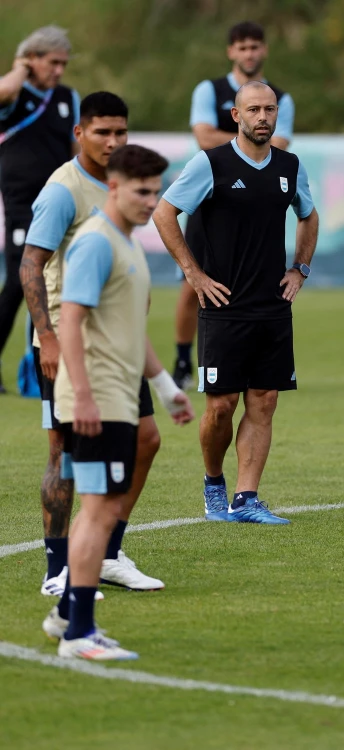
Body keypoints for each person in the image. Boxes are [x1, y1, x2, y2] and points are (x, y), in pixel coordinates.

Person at [20, 92, 190, 597]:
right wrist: (47, 336)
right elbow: (31, 264)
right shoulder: (63, 190)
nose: (113, 141)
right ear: (80, 133)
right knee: (67, 454)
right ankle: (58, 569)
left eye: (120, 132)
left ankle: (107, 552)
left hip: (120, 344)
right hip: (68, 343)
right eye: (102, 132)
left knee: (146, 440)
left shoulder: (123, 188)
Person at [42, 144, 192, 660]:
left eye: (156, 191)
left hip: (118, 398)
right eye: (141, 191)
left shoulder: (129, 244)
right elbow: (72, 323)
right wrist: (81, 396)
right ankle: (80, 633)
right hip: (98, 400)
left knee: (98, 512)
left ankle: (69, 615)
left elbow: (131, 331)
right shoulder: (96, 243)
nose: (151, 201)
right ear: (114, 187)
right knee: (99, 512)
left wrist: (168, 388)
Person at [153, 81, 318, 525]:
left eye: (270, 109)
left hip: (272, 305)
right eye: (254, 110)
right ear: (236, 116)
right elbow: (164, 212)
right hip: (223, 306)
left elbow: (308, 213)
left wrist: (300, 268)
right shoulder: (210, 163)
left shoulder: (290, 165)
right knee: (221, 406)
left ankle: (247, 498)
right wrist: (194, 273)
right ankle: (213, 483)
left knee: (263, 401)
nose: (263, 117)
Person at [172, 20, 295, 390]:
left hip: (257, 198)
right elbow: (202, 136)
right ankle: (182, 359)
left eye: (255, 46)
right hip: (213, 197)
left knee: (255, 280)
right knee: (193, 285)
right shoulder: (209, 89)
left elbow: (282, 144)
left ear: (264, 50)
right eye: (242, 47)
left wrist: (241, 140)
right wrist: (247, 141)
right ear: (231, 52)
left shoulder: (281, 96)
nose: (249, 53)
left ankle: (251, 362)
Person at [0, 26, 79, 394]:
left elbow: (76, 149)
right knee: (20, 283)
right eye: (52, 62)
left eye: (63, 63)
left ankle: (39, 373)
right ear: (32, 61)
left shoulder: (67, 97)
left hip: (59, 201)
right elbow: (4, 91)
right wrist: (20, 65)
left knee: (51, 284)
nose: (59, 70)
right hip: (21, 202)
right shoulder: (16, 94)